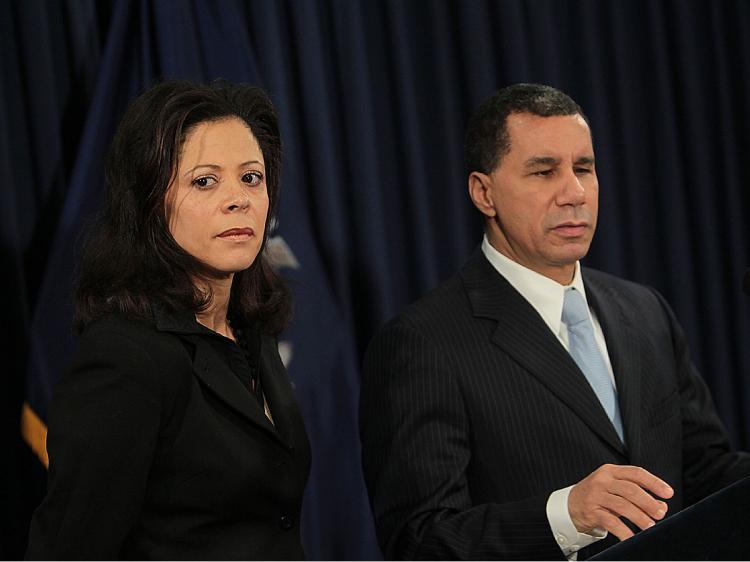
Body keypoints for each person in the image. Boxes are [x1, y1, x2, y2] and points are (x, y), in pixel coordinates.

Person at [359, 83, 750, 560]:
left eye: (584, 168)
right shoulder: (423, 342)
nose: (575, 193)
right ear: (484, 193)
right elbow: (418, 542)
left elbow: (705, 472)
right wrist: (565, 514)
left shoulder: (644, 310)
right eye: (544, 172)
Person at [26, 80, 311, 560]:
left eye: (252, 177)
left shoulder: (251, 334)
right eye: (205, 181)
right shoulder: (125, 357)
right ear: (150, 203)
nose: (238, 199)